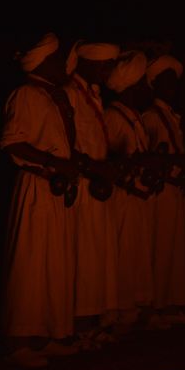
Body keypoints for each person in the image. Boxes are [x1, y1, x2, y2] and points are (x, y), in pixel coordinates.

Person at [0, 33, 80, 367]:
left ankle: (46, 335)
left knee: (53, 262)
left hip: (55, 188)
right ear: (44, 62)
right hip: (36, 186)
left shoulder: (52, 95)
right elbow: (13, 143)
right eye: (59, 59)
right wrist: (53, 163)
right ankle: (20, 342)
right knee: (31, 263)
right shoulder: (26, 95)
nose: (64, 65)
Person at [65, 42, 121, 345]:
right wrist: (91, 168)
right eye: (105, 65)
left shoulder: (95, 96)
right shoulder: (71, 94)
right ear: (88, 63)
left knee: (97, 255)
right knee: (82, 254)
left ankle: (93, 320)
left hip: (97, 186)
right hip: (82, 186)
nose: (108, 71)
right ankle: (80, 324)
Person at [142, 54, 185, 325]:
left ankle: (171, 305)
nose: (172, 88)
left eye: (175, 82)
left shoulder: (172, 116)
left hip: (176, 190)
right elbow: (149, 157)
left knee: (176, 248)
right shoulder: (151, 117)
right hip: (161, 191)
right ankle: (156, 307)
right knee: (162, 247)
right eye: (167, 82)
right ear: (154, 84)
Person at [103, 50, 156, 331]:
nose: (147, 88)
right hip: (122, 199)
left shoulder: (133, 117)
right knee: (123, 254)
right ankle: (120, 313)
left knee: (137, 253)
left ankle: (135, 310)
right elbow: (109, 159)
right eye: (142, 83)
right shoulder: (112, 116)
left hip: (138, 198)